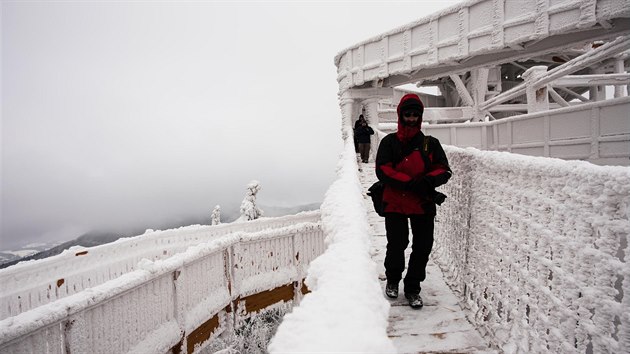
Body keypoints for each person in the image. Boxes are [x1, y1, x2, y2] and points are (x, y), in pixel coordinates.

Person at [375, 93, 452, 309]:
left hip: (422, 203)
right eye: (407, 114)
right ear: (401, 115)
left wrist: (428, 180)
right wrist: (411, 183)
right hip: (396, 202)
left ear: (420, 117)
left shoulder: (430, 144)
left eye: (415, 115)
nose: (411, 118)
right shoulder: (389, 142)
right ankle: (392, 279)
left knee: (423, 246)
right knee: (398, 243)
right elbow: (382, 170)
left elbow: (444, 169)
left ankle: (412, 288)